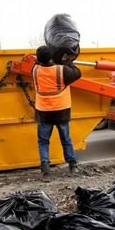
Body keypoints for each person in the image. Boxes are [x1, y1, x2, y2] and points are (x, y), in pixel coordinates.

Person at [32, 45, 81, 181]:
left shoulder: (35, 70)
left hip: (44, 111)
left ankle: (46, 171)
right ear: (52, 56)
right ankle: (73, 165)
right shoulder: (62, 70)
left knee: (43, 141)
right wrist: (66, 61)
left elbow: (39, 62)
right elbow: (77, 73)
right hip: (61, 111)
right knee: (66, 139)